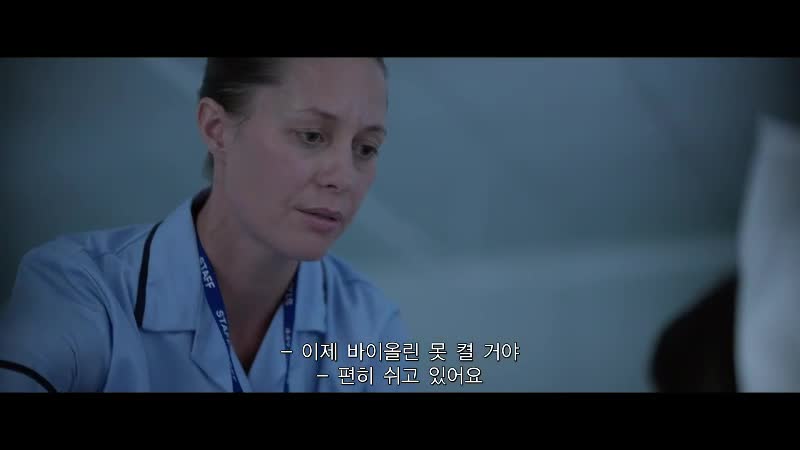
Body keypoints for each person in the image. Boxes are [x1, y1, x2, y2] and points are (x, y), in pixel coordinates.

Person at [0, 57, 417, 392]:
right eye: (311, 135)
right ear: (217, 130)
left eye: (366, 148)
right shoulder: (80, 289)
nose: (344, 177)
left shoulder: (371, 326)